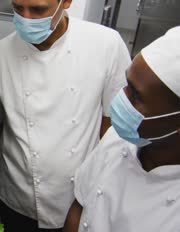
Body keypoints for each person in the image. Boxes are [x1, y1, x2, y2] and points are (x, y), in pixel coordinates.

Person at [0, 0, 131, 231]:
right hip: (17, 194)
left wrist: (99, 190)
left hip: (76, 195)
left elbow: (114, 126)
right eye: (18, 8)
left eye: (38, 10)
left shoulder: (105, 45)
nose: (26, 18)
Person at [63, 27, 180, 232]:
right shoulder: (117, 139)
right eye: (126, 84)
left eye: (136, 96)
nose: (121, 98)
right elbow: (79, 206)